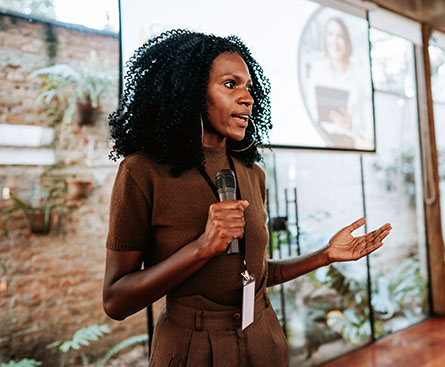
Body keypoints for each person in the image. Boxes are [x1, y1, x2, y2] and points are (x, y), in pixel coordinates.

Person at [102, 29, 391, 367]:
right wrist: (202, 247)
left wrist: (325, 255)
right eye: (230, 84)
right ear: (191, 92)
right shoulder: (142, 172)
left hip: (263, 336)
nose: (247, 98)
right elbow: (115, 300)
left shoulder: (252, 173)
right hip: (191, 346)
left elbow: (255, 273)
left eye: (249, 88)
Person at [306, 16, 373, 149]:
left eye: (340, 36)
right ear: (325, 38)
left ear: (346, 41)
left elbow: (362, 121)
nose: (334, 42)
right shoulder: (317, 69)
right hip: (317, 141)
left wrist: (349, 125)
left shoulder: (358, 75)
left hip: (346, 143)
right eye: (330, 34)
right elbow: (310, 108)